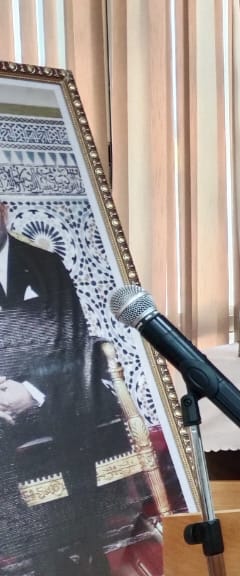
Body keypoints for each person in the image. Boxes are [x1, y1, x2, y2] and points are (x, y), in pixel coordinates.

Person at [0, 200, 112, 574]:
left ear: (3, 212)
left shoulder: (46, 264)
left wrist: (32, 391)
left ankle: (89, 546)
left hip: (52, 390)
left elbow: (73, 337)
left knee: (75, 414)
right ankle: (34, 555)